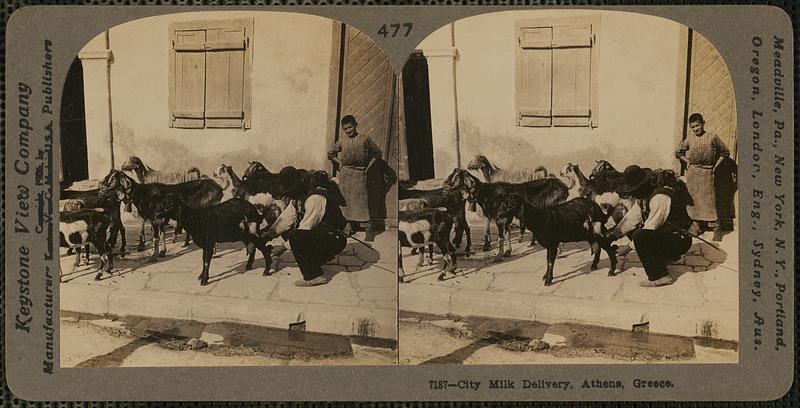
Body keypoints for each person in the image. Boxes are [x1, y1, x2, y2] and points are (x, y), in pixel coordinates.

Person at [261, 167, 348, 287]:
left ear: (298, 186)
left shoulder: (315, 198)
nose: (289, 194)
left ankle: (315, 275)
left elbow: (307, 227)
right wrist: (270, 233)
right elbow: (287, 217)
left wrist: (282, 248)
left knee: (296, 236)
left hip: (335, 238)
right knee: (288, 232)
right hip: (322, 234)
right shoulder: (299, 197)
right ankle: (321, 258)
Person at [608, 165, 693, 287]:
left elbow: (651, 227)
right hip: (667, 236)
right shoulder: (642, 197)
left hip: (680, 240)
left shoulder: (659, 198)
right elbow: (632, 218)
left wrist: (626, 249)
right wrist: (613, 235)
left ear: (643, 186)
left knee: (639, 236)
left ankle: (661, 276)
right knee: (632, 230)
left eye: (634, 190)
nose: (632, 193)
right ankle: (662, 261)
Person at [675, 113, 731, 241]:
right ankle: (695, 226)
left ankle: (716, 228)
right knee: (693, 201)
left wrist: (716, 166)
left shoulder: (712, 137)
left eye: (697, 125)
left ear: (703, 123)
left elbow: (725, 152)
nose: (695, 129)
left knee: (709, 202)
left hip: (708, 173)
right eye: (692, 127)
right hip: (693, 173)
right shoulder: (689, 139)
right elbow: (678, 153)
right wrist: (687, 161)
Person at [328, 115, 382, 241]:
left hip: (360, 173)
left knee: (362, 202)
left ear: (355, 125)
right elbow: (330, 154)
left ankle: (368, 228)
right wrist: (339, 163)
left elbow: (378, 153)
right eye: (345, 129)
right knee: (345, 201)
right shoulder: (341, 141)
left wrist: (368, 167)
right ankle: (348, 226)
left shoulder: (365, 139)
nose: (348, 131)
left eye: (350, 127)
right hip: (346, 174)